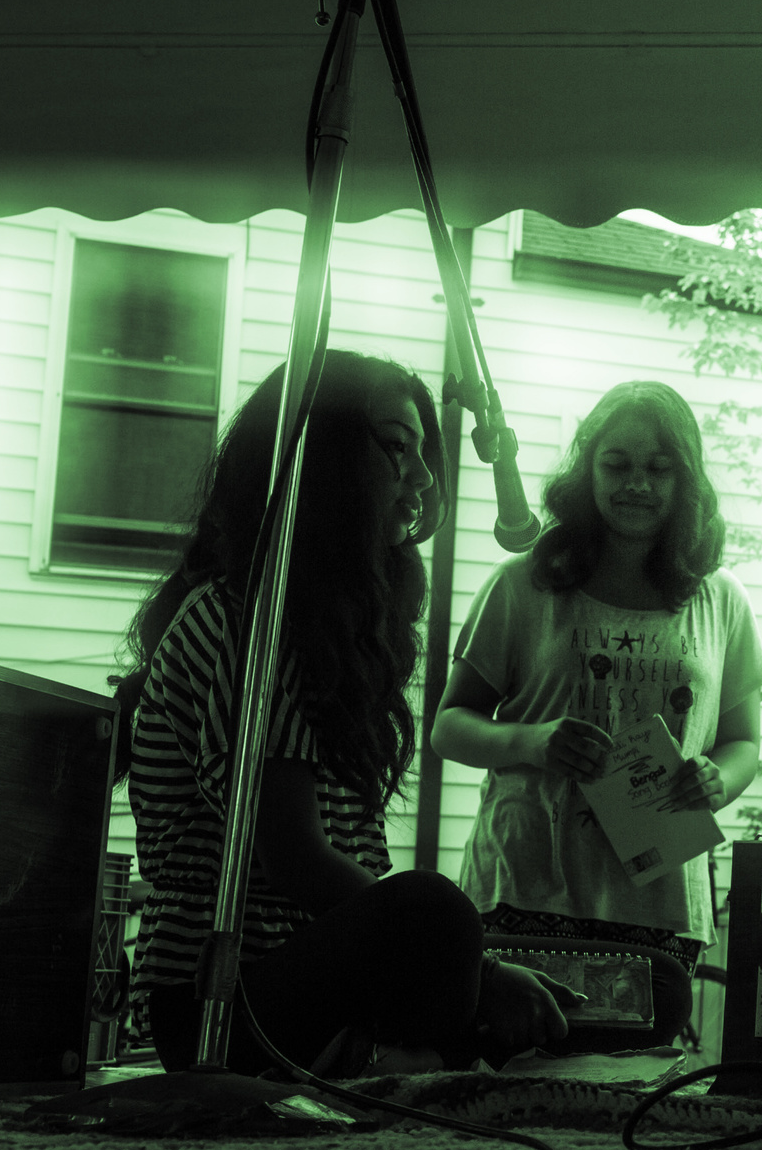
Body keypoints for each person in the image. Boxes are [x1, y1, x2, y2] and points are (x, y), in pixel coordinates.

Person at [127, 350, 570, 1075]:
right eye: (398, 448)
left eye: (426, 454)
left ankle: (418, 1054)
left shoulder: (323, 629)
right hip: (223, 1002)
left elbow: (355, 863)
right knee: (437, 912)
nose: (425, 480)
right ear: (321, 458)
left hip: (319, 988)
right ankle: (409, 1061)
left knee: (647, 993)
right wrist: (474, 968)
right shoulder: (249, 621)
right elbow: (296, 856)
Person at [433, 380, 762, 1046]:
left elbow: (743, 744)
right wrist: (533, 740)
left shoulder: (722, 601)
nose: (637, 484)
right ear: (588, 467)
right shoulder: (523, 582)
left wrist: (717, 780)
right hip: (524, 889)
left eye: (658, 467)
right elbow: (448, 725)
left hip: (660, 896)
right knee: (515, 1080)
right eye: (617, 464)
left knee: (627, 1092)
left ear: (686, 479)